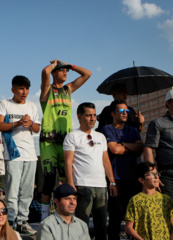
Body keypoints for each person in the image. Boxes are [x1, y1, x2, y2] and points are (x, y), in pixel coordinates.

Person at [39, 59, 91, 219]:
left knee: (69, 178)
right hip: (49, 142)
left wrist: (70, 65)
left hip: (66, 142)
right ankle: (45, 217)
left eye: (66, 71)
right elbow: (45, 72)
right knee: (49, 180)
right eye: (62, 70)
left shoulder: (68, 89)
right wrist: (55, 64)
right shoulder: (47, 91)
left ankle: (68, 213)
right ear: (54, 73)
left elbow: (87, 74)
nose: (65, 72)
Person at [64, 102, 117, 240]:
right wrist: (71, 185)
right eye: (88, 115)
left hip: (101, 186)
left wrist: (112, 182)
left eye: (94, 115)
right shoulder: (72, 136)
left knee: (101, 227)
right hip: (82, 185)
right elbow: (68, 161)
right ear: (79, 117)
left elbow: (106, 161)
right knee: (82, 226)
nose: (93, 118)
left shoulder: (100, 136)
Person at [0, 75, 40, 234]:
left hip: (30, 155)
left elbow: (37, 129)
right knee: (12, 191)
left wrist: (30, 123)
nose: (24, 92)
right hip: (12, 154)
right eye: (21, 88)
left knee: (27, 192)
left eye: (27, 89)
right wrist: (17, 123)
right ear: (13, 89)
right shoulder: (4, 104)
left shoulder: (32, 106)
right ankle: (11, 222)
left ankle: (23, 221)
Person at [144, 88, 173, 238]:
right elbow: (149, 148)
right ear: (168, 103)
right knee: (168, 214)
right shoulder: (158, 123)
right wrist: (152, 174)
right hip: (169, 176)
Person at [101, 100, 143, 240]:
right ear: (113, 113)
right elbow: (114, 149)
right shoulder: (107, 129)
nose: (125, 113)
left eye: (127, 111)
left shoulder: (133, 130)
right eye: (121, 111)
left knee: (135, 215)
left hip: (133, 178)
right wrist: (131, 147)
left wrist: (123, 144)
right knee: (116, 215)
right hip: (116, 177)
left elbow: (140, 148)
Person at [125, 161, 173, 240]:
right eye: (151, 174)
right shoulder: (135, 200)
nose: (156, 177)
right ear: (141, 180)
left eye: (157, 174)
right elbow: (128, 228)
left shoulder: (166, 199)